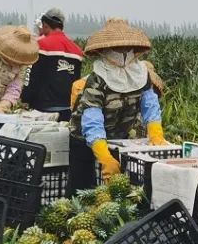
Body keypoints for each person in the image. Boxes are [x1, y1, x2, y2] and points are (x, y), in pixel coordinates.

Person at [68, 18, 167, 192]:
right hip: (84, 137)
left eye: (126, 49)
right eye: (117, 49)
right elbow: (92, 118)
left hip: (118, 136)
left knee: (116, 188)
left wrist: (156, 134)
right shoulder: (98, 78)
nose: (122, 53)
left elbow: (150, 105)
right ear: (105, 51)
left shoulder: (141, 74)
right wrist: (103, 155)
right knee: (82, 186)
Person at [21, 7, 83, 121]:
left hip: (43, 109)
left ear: (45, 24)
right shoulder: (77, 51)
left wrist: (25, 98)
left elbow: (31, 76)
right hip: (66, 110)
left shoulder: (40, 45)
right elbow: (77, 84)